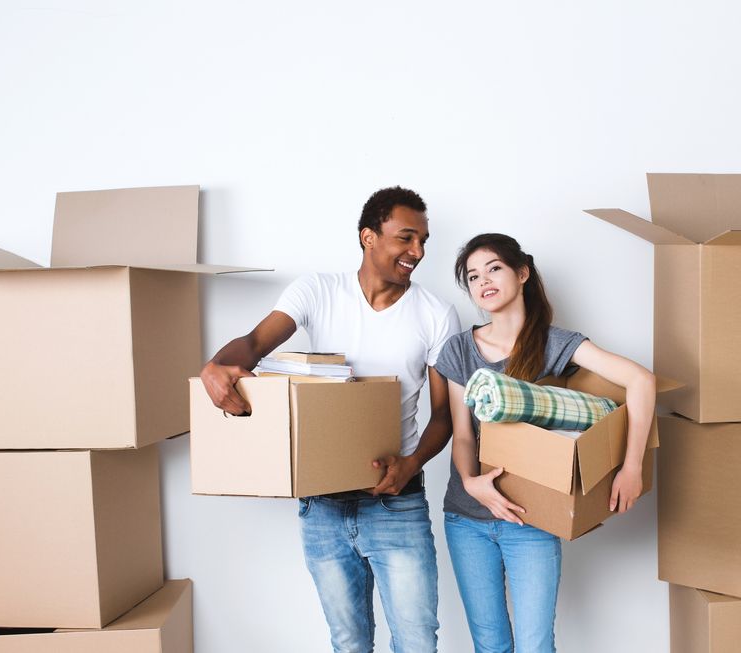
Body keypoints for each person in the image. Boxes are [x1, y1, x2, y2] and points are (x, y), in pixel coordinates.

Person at [199, 186, 460, 653]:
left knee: (418, 641)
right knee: (348, 641)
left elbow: (443, 415)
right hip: (322, 506)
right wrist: (214, 365)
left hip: (395, 503)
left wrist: (412, 463)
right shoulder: (317, 291)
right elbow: (255, 344)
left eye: (423, 241)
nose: (417, 252)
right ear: (368, 237)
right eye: (406, 238)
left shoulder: (436, 314)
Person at [434, 233, 656, 653]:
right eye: (473, 276)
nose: (483, 281)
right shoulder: (460, 350)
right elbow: (462, 435)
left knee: (535, 646)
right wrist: (470, 482)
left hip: (532, 519)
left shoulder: (554, 343)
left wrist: (632, 467)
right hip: (466, 520)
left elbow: (641, 381)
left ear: (522, 273)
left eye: (494, 268)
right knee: (489, 645)